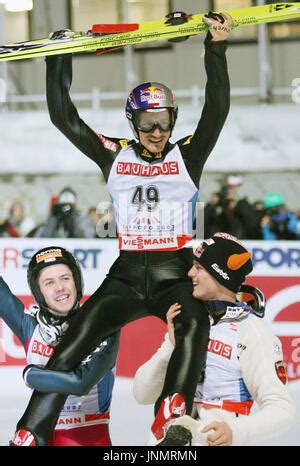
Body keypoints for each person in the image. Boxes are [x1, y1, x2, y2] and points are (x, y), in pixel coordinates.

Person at [13, 12, 233, 446]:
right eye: (148, 123)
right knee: (72, 342)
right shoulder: (113, 155)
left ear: (173, 119)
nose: (157, 131)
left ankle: (174, 414)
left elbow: (217, 108)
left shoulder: (188, 155)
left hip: (175, 271)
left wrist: (216, 47)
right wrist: (61, 57)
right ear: (133, 122)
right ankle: (32, 430)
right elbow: (64, 116)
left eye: (165, 121)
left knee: (194, 323)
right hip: (128, 275)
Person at [133, 233, 295, 446]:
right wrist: (170, 347)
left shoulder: (251, 331)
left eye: (199, 268)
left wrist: (235, 431)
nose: (190, 273)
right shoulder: (190, 321)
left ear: (220, 275)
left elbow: (282, 409)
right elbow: (142, 394)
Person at [0, 246, 119, 446]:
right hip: (40, 438)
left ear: (77, 282)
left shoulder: (103, 325)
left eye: (65, 278)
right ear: (39, 292)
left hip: (89, 439)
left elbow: (81, 383)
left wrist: (31, 374)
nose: (60, 288)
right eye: (49, 283)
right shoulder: (31, 328)